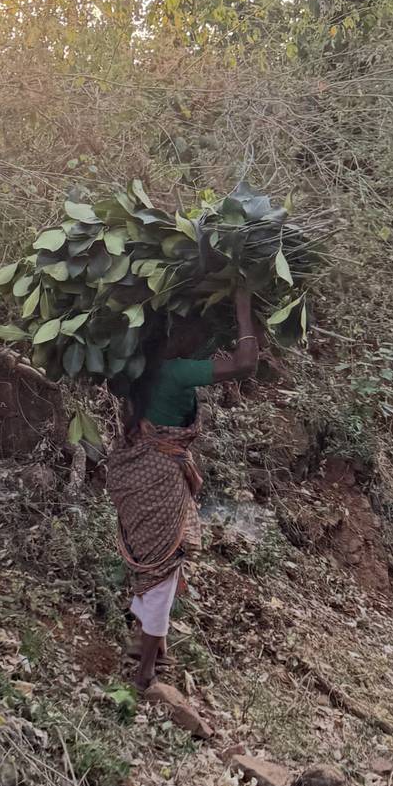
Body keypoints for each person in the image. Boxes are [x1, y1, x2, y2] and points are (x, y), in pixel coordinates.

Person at [107, 288, 259, 691]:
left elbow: (129, 407)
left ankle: (150, 646)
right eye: (197, 335)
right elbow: (246, 363)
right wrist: (244, 305)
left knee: (150, 560)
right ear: (179, 335)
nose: (201, 344)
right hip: (157, 479)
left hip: (130, 475)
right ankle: (145, 676)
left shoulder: (140, 365)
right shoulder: (177, 372)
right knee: (163, 568)